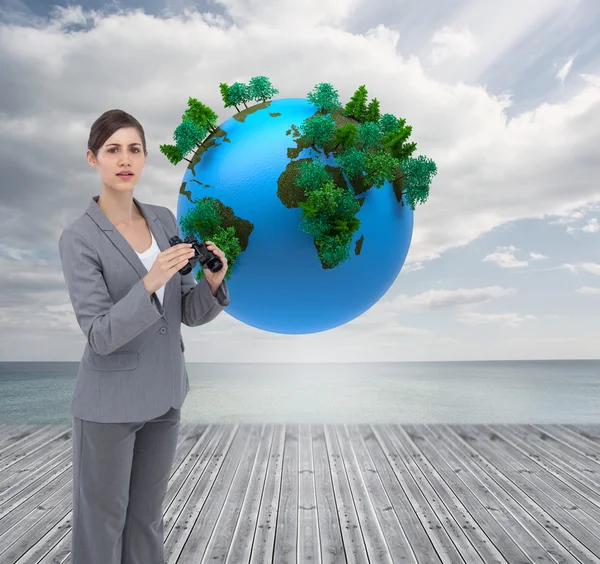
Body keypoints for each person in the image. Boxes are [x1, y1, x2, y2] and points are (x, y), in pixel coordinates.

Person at [58, 108, 230, 564]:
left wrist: (213, 285)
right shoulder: (78, 238)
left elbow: (186, 313)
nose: (124, 159)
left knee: (146, 522)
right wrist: (151, 280)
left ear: (145, 157)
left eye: (134, 149)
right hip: (108, 405)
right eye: (112, 149)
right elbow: (99, 334)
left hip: (165, 396)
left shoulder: (164, 221)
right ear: (93, 158)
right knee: (102, 524)